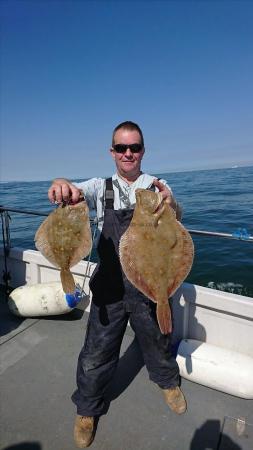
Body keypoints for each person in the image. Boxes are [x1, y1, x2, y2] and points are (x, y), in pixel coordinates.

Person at [48, 121, 186, 448]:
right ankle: (87, 407)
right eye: (121, 148)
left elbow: (177, 216)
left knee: (157, 339)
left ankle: (167, 381)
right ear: (112, 152)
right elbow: (74, 191)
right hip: (109, 285)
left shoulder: (156, 185)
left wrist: (172, 203)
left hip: (147, 285)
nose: (128, 154)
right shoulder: (100, 186)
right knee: (97, 351)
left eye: (134, 147)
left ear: (142, 151)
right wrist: (61, 183)